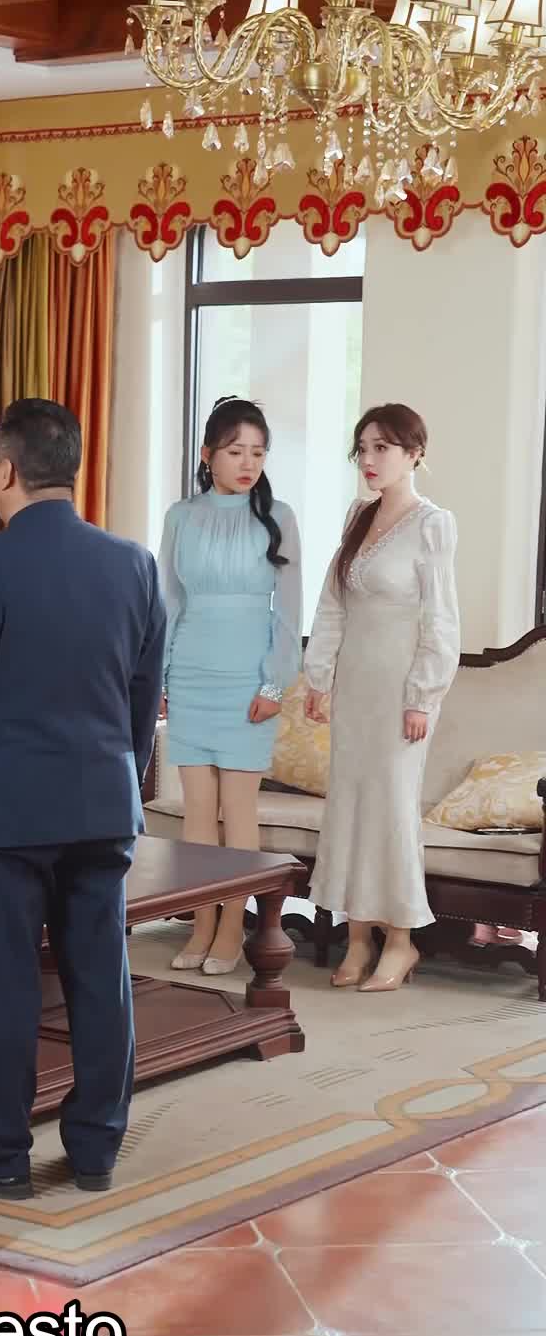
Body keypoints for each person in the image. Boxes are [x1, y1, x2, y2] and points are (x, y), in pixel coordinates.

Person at [0, 398, 166, 1200]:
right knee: (101, 979)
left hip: (7, 812)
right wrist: (122, 776)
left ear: (6, 468)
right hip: (103, 803)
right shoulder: (134, 564)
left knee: (7, 987)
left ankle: (0, 1157)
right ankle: (96, 1151)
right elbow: (143, 698)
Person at [304, 403, 460, 992]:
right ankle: (357, 938)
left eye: (383, 448)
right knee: (350, 808)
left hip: (401, 695)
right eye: (363, 449)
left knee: (392, 811)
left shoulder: (433, 524)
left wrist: (422, 696)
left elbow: (441, 619)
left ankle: (400, 941)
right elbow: (332, 605)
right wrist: (319, 678)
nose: (369, 460)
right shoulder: (357, 515)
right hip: (354, 690)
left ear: (414, 453)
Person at [157, 396, 302, 974]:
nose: (248, 463)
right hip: (191, 673)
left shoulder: (279, 516)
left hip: (249, 679)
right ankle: (200, 926)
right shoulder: (180, 516)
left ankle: (231, 930)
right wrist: (159, 675)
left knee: (238, 810)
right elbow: (167, 601)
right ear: (207, 454)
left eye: (258, 453)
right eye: (236, 451)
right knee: (198, 810)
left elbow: (288, 611)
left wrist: (275, 684)